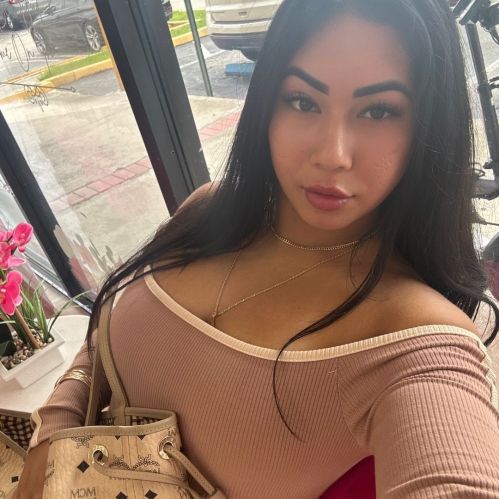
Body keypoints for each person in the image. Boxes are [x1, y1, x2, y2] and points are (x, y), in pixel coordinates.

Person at [14, 0, 499, 497]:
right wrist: (53, 434)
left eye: (379, 111)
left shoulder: (417, 344)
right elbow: (103, 342)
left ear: (428, 127)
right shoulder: (206, 209)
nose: (332, 155)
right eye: (303, 101)